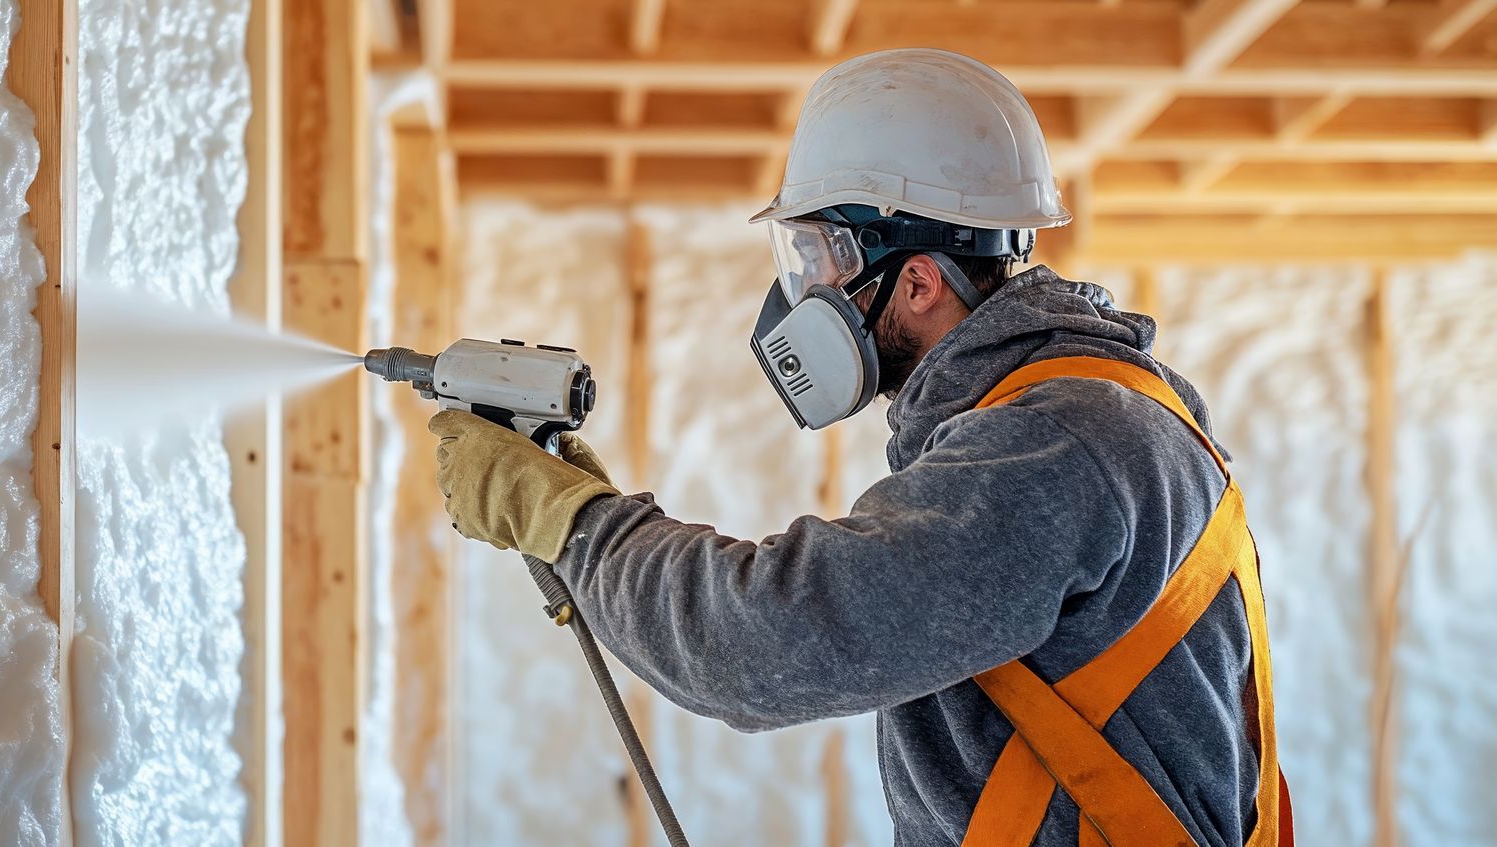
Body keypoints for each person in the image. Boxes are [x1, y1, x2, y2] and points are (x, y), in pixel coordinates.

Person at [428, 49, 1292, 846]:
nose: (804, 290)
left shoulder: (1053, 445)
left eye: (818, 256)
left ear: (917, 281)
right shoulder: (1086, 415)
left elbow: (761, 641)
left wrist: (573, 526)